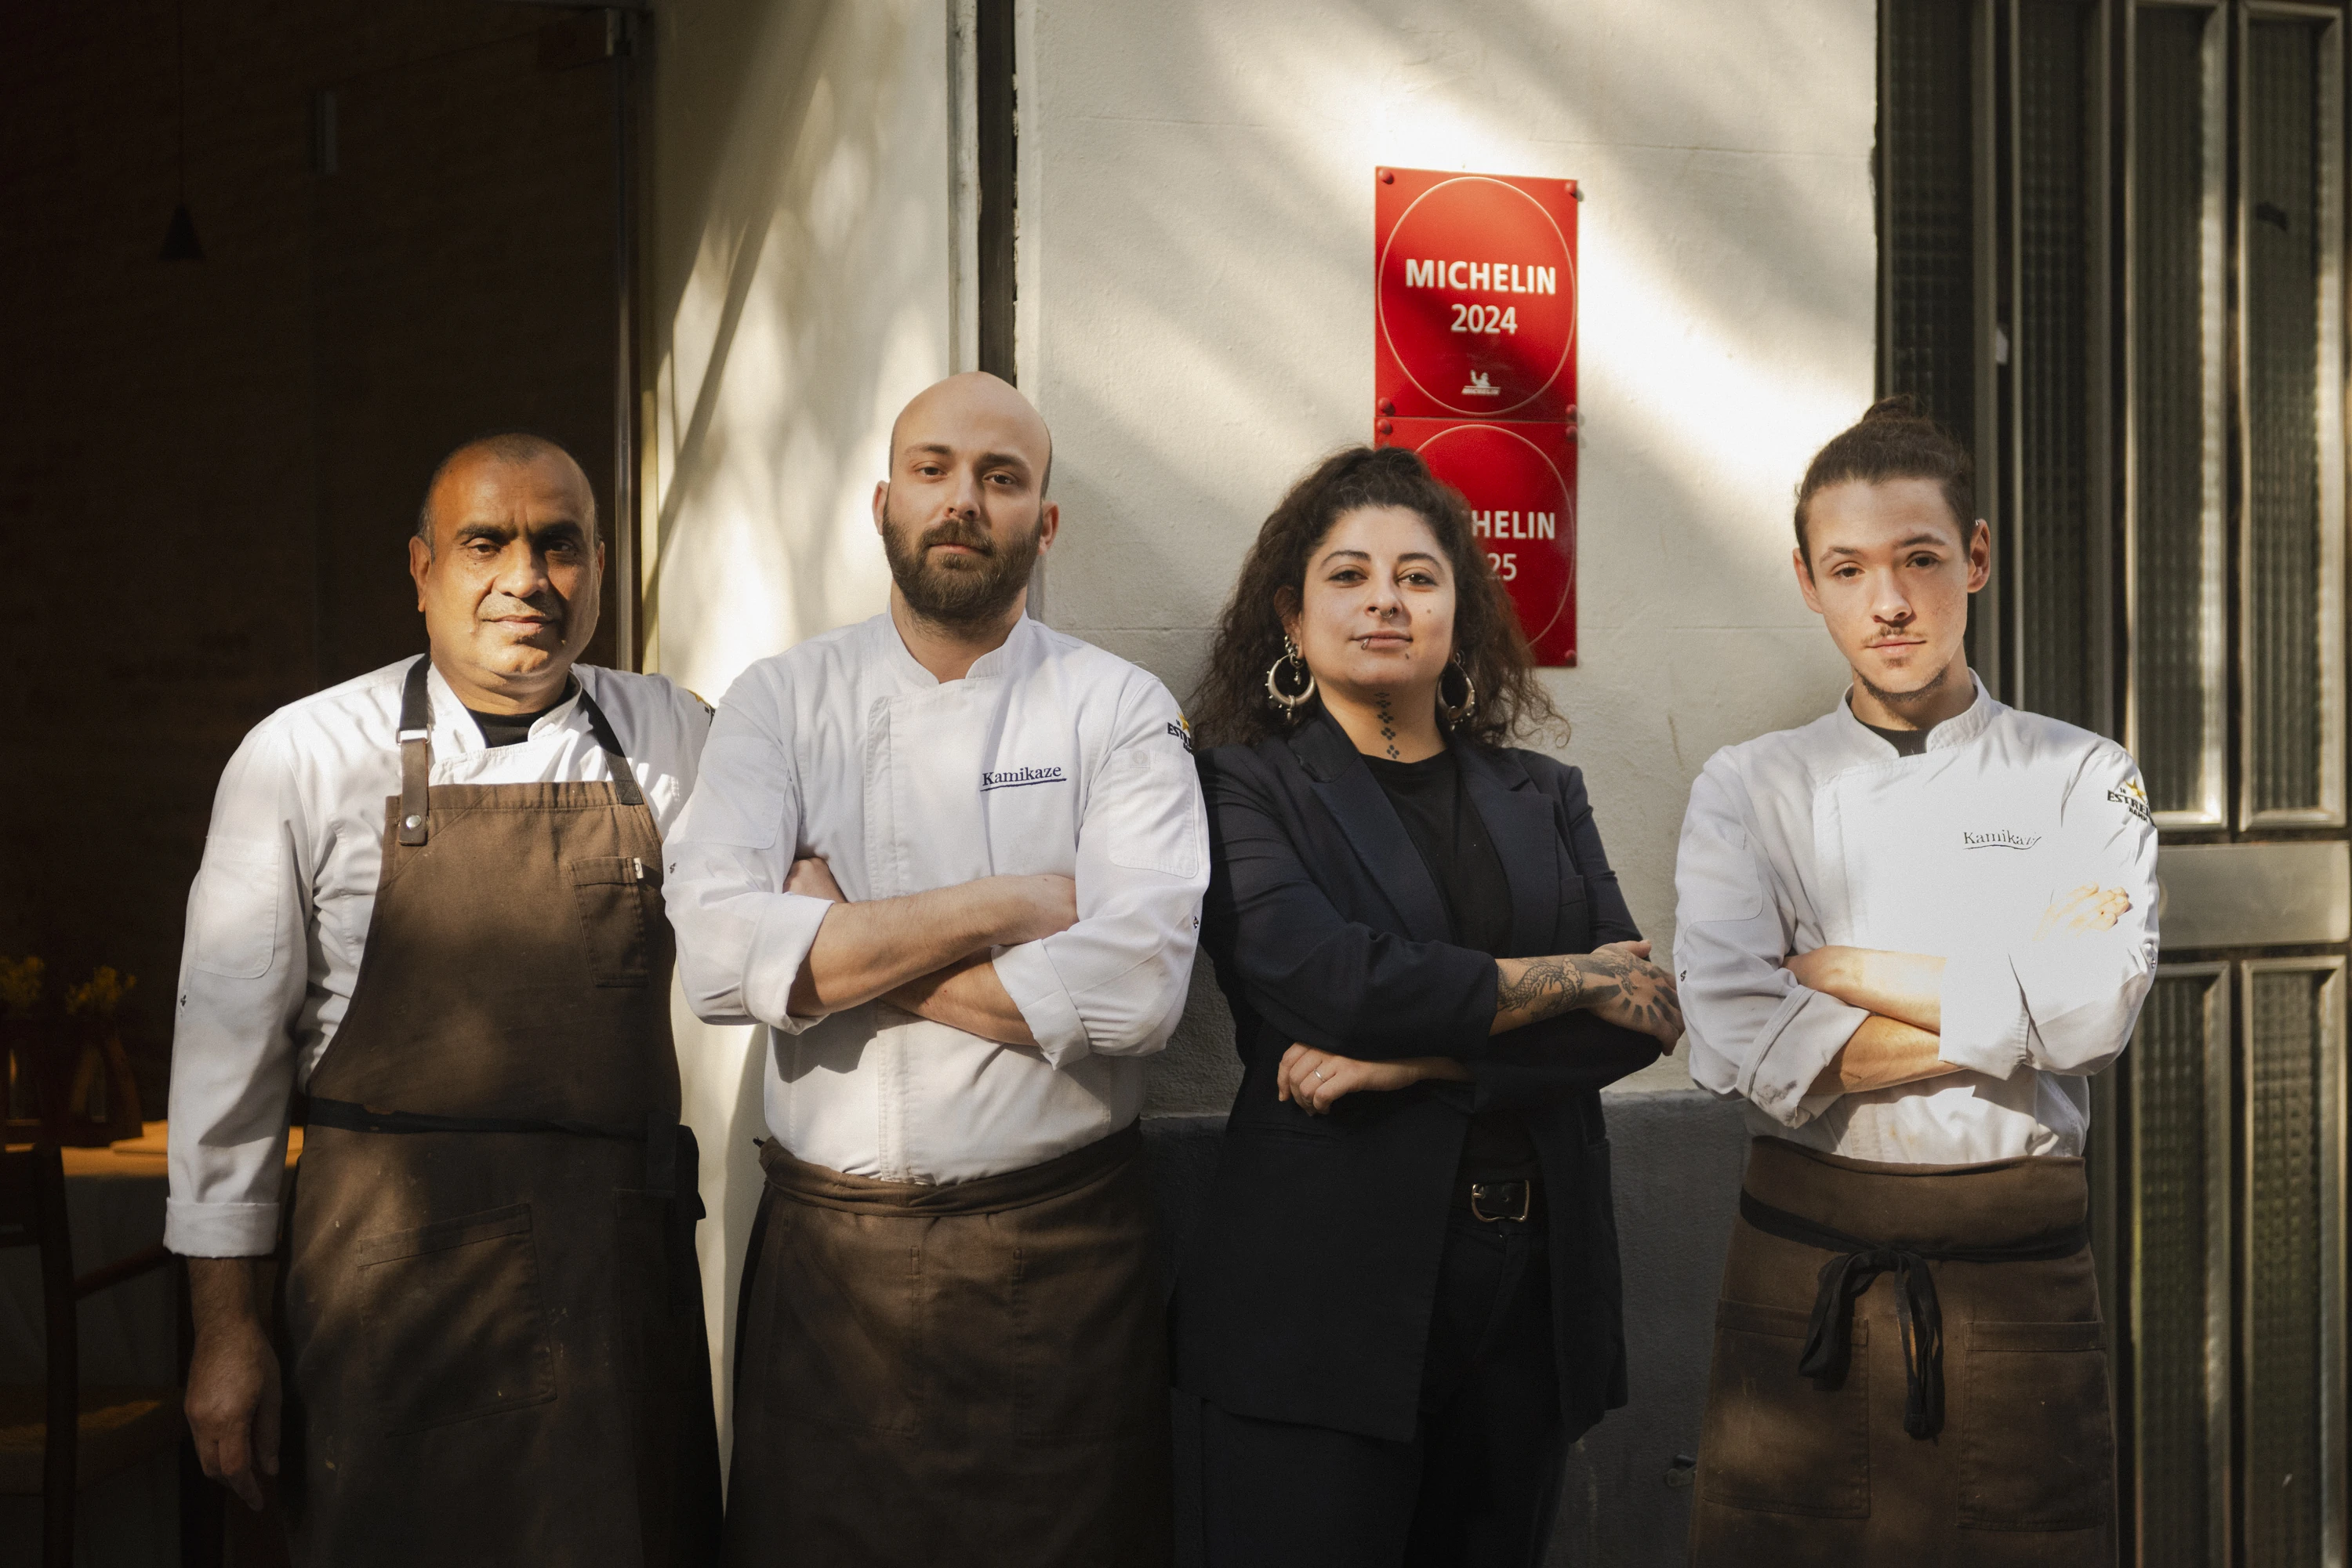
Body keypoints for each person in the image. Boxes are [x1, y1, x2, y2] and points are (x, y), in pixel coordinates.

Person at [663, 371, 1207, 1566]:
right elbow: (715, 961)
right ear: (884, 504)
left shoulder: (1118, 710)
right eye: (934, 469)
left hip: (1060, 1261)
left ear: (1043, 525)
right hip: (828, 1272)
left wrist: (833, 937)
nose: (963, 499)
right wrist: (1004, 905)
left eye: (1000, 478)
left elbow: (1137, 994)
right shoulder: (780, 702)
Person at [168, 434, 722, 1563]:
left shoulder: (674, 737)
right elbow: (225, 1067)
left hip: (615, 1294)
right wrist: (225, 1333)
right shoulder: (301, 757)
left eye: (559, 545)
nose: (527, 578)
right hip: (389, 1291)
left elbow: (773, 933)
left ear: (599, 569)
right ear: (422, 571)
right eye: (486, 544)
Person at [1169, 445, 1682, 1568]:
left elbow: (1644, 1015)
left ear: (1460, 609)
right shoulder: (1241, 785)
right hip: (1322, 1299)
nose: (1386, 601)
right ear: (1293, 618)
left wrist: (1423, 1061)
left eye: (1418, 575)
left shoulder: (1545, 792)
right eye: (1349, 575)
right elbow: (1331, 983)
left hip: (1532, 1292)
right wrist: (1580, 974)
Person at [1675, 397, 2158, 1565]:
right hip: (1802, 1269)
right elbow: (1732, 1038)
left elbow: (2097, 1012)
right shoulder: (1749, 786)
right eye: (1849, 569)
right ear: (1808, 582)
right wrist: (2018, 998)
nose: (1887, 601)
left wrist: (1838, 973)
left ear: (1976, 557)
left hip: (2015, 1273)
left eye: (1920, 559)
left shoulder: (2082, 773)